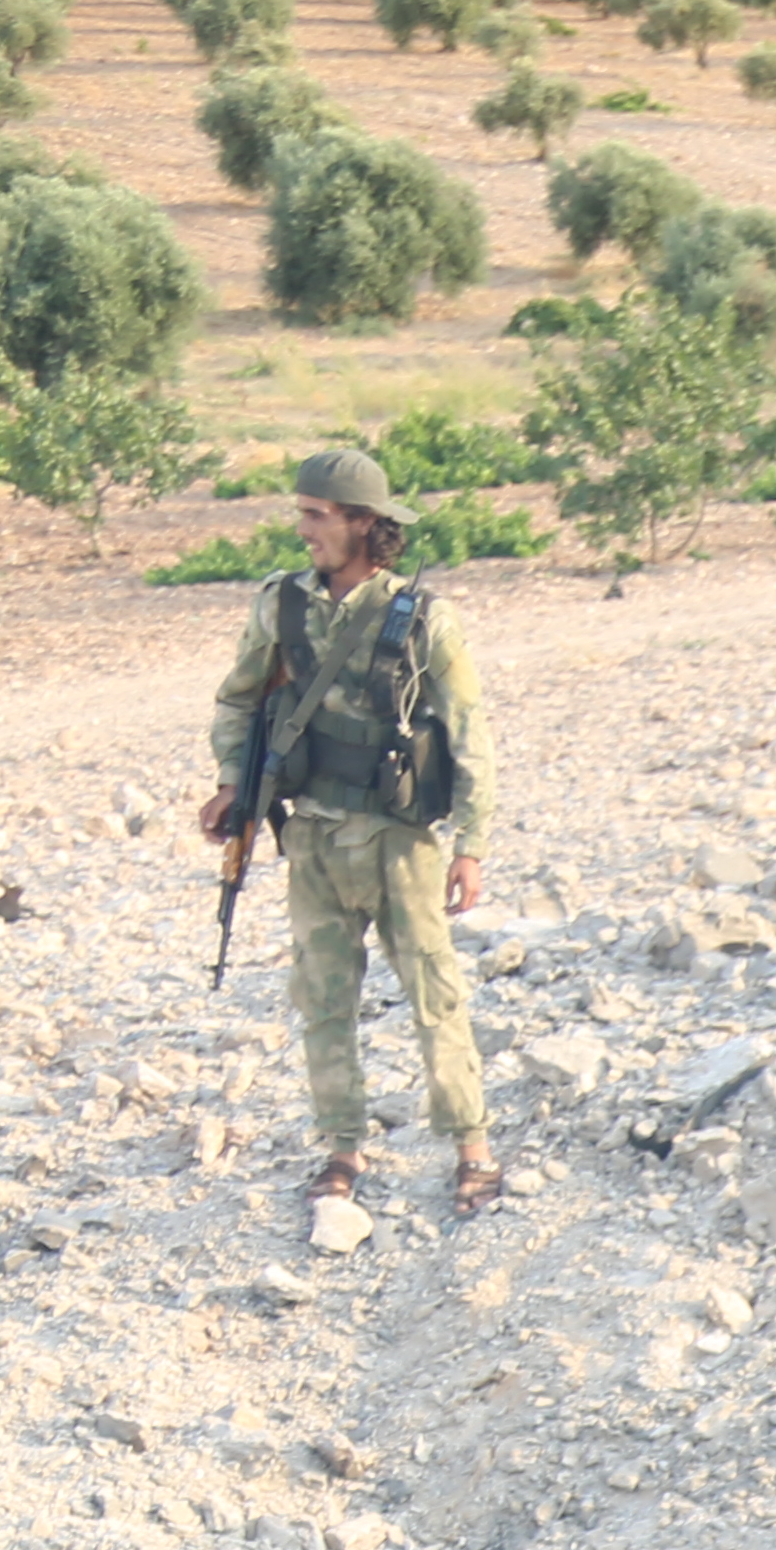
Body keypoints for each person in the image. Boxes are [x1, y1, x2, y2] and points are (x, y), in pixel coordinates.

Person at [202, 445, 503, 1215]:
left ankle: (472, 1148)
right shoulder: (282, 604)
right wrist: (233, 785)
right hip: (311, 837)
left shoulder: (426, 618)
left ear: (365, 524)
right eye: (302, 513)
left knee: (434, 993)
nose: (304, 530)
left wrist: (470, 843)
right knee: (324, 1000)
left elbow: (470, 730)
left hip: (399, 838)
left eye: (317, 516)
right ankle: (342, 1148)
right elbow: (239, 699)